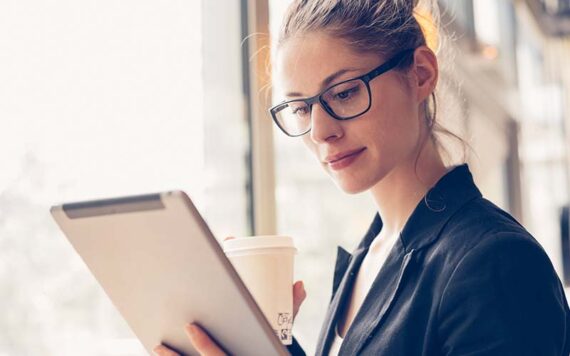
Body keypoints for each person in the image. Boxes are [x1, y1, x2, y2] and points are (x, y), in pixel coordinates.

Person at [154, 0, 570, 355]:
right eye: (300, 108)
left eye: (344, 92)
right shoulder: (369, 256)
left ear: (421, 73)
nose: (320, 131)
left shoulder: (495, 262)